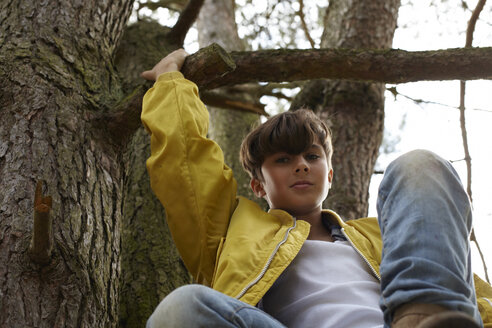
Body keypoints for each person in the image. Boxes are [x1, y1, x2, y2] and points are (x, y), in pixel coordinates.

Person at [140, 49, 492, 328]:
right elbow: (186, 162)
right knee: (180, 309)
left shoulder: (385, 236)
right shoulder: (231, 233)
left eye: (312, 155)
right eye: (282, 160)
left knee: (419, 165)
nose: (302, 164)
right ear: (258, 187)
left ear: (331, 174)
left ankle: (423, 319)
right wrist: (170, 80)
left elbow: (471, 294)